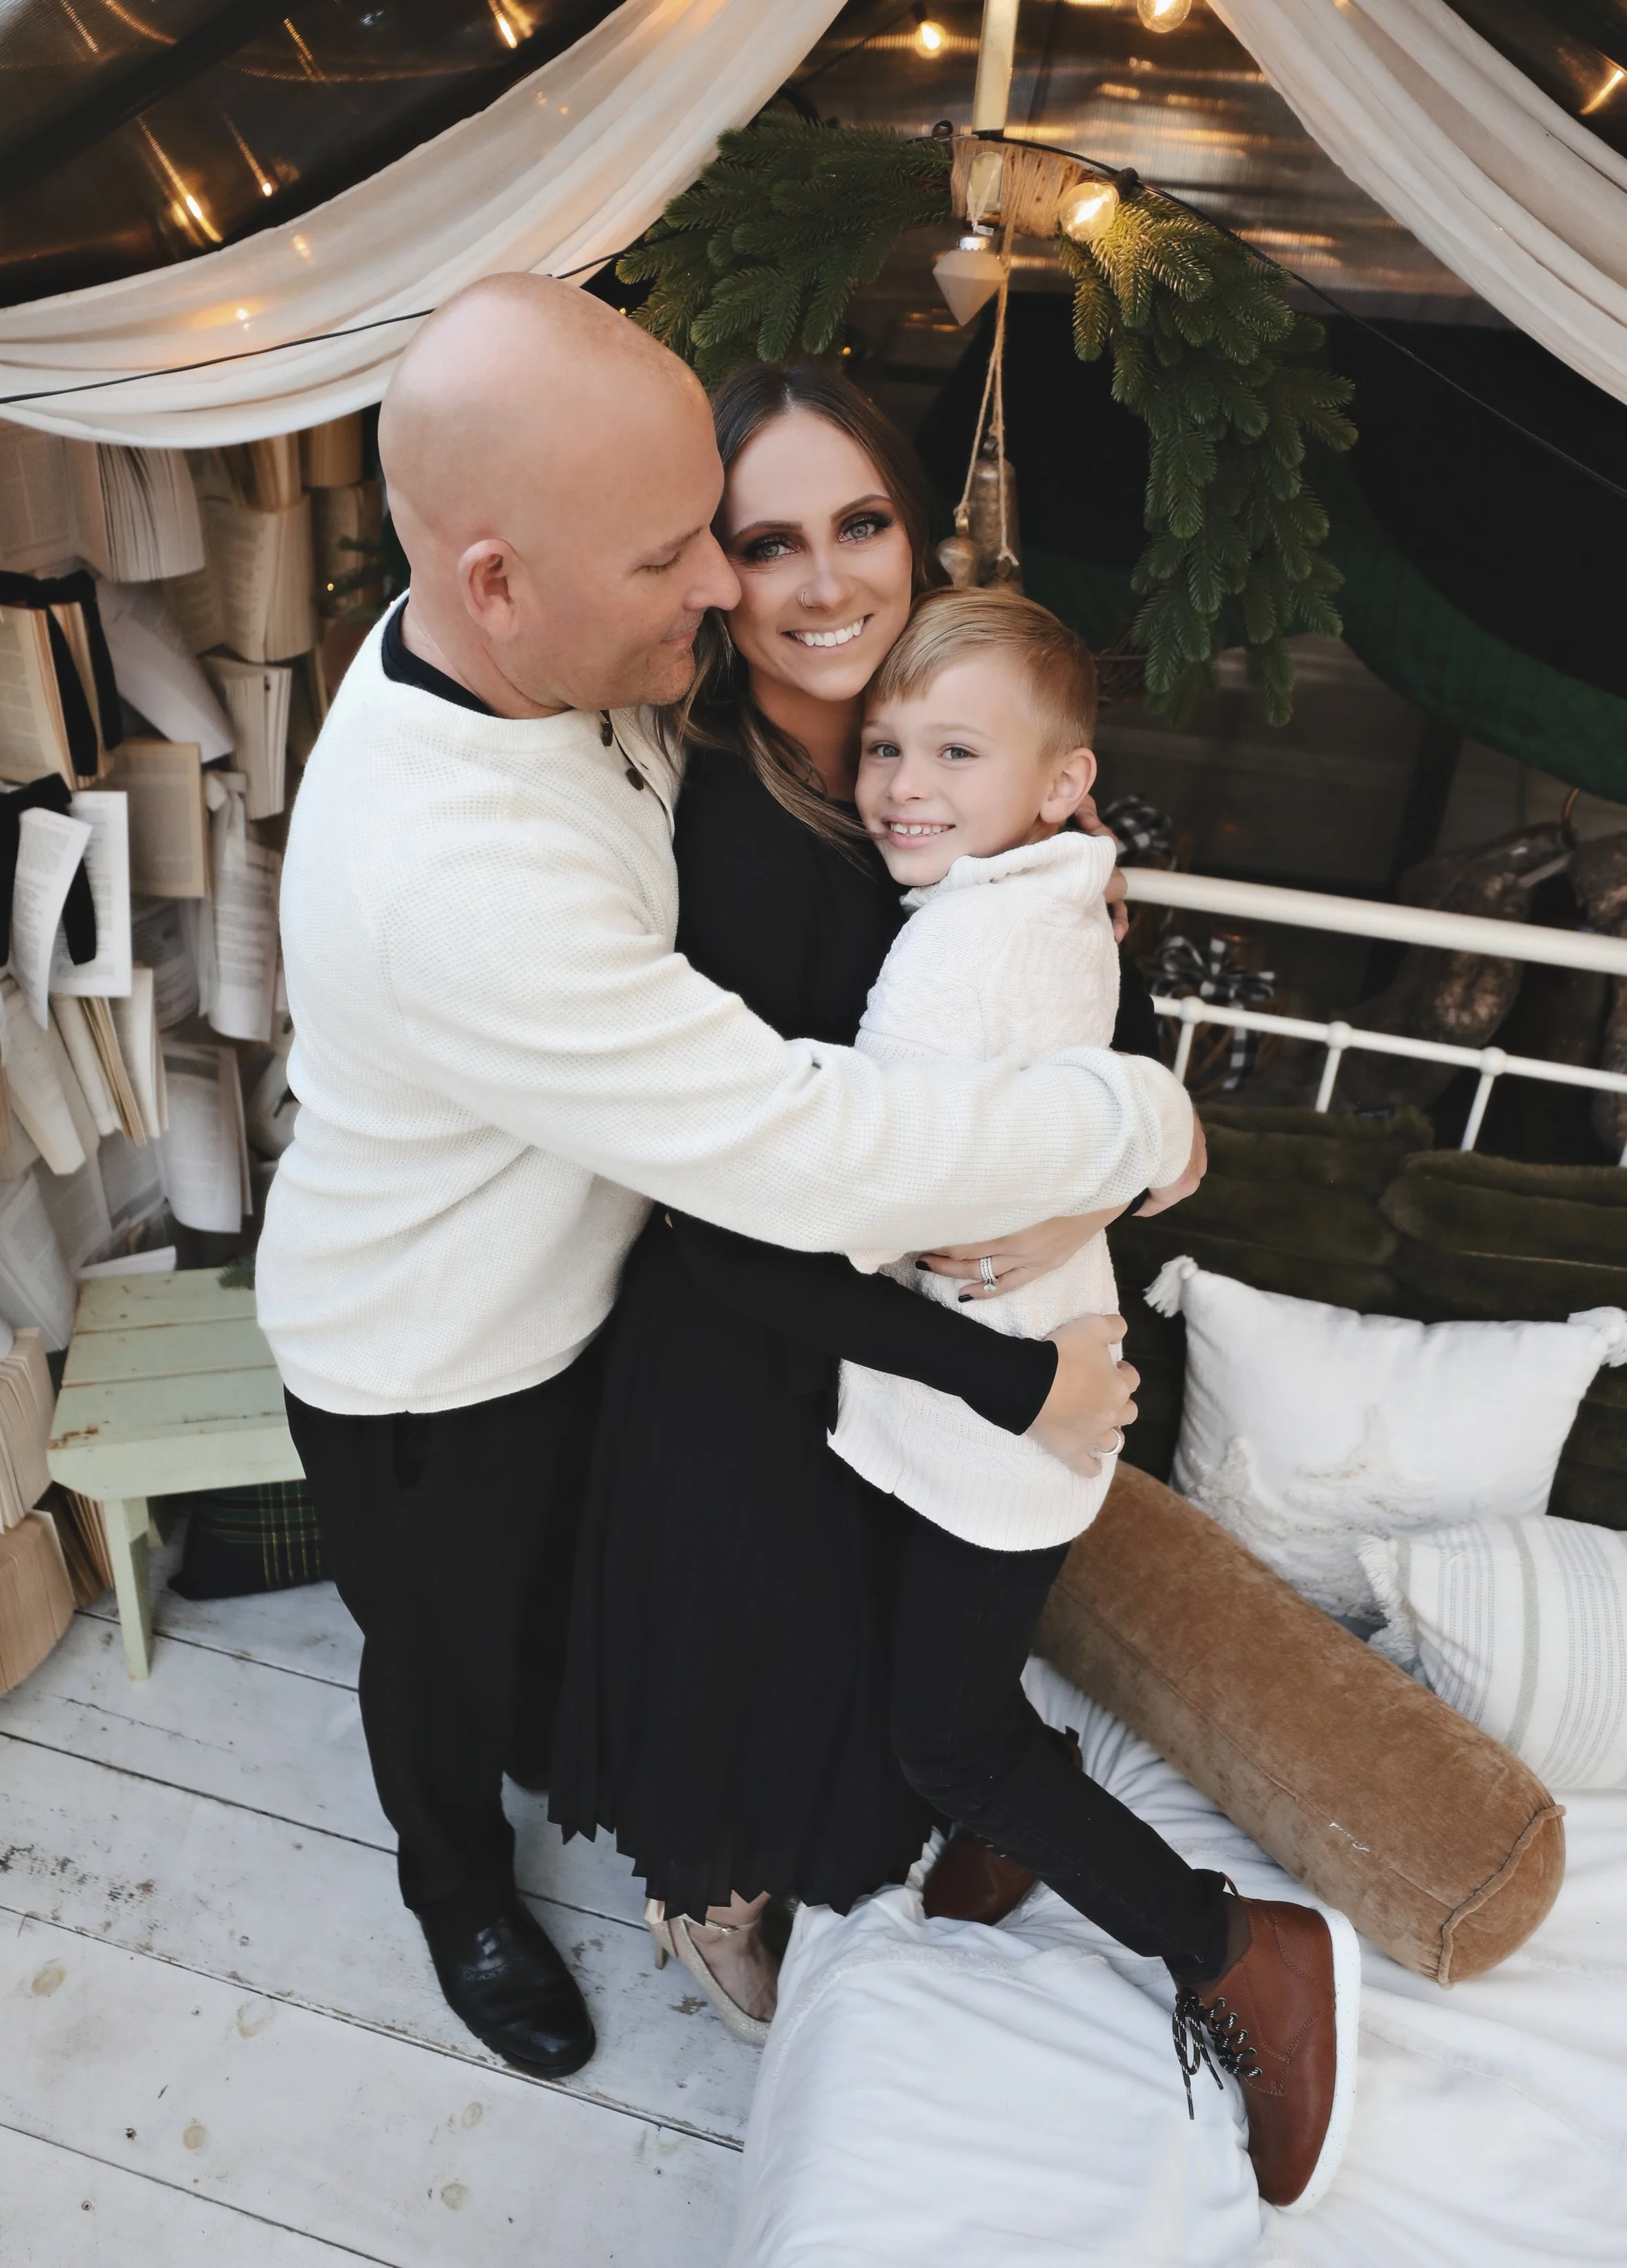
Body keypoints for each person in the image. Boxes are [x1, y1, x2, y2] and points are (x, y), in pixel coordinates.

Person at [257, 282, 1203, 2086]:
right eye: (689, 551)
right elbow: (799, 1149)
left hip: (600, 1290)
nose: (720, 586)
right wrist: (1139, 1129)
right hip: (428, 1344)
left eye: (736, 530)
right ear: (496, 584)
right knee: (444, 1655)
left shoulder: (583, 661)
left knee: (579, 1636)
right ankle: (454, 1889)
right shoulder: (456, 879)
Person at [550, 359, 1183, 2041]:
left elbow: (1101, 1026)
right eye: (768, 542)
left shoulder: (965, 761)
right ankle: (708, 1892)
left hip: (894, 1330)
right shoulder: (726, 836)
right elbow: (724, 1214)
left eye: (860, 524)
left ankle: (887, 1835)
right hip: (756, 1334)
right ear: (712, 569)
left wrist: (1105, 1171)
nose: (823, 580)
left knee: (873, 1671)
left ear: (918, 532)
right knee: (745, 1671)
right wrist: (1013, 1369)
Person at [836, 587, 1358, 2215]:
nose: (902, 785)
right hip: (996, 1396)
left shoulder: (956, 952)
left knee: (942, 1733)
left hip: (998, 1415)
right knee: (945, 1669)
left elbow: (859, 1194)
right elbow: (1098, 1107)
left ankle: (1234, 1950)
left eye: (954, 753)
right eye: (884, 747)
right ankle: (1017, 1820)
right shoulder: (1059, 897)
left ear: (1061, 782)